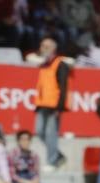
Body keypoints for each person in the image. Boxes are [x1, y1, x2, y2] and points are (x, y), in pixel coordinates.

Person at [34, 36, 72, 169]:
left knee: (51, 133)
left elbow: (63, 87)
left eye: (46, 46)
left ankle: (52, 161)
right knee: (39, 132)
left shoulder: (60, 64)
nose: (42, 49)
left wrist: (59, 107)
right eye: (42, 46)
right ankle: (57, 155)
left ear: (53, 49)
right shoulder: (44, 64)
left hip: (54, 106)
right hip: (42, 104)